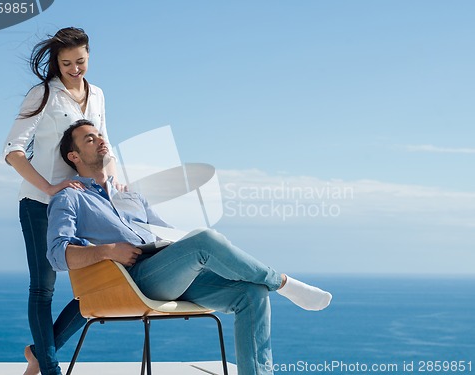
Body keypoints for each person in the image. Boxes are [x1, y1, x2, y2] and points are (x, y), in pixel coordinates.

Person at [47, 120, 333, 375]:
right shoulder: (71, 198)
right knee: (204, 240)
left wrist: (180, 244)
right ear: (74, 156)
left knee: (252, 292)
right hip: (131, 280)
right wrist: (109, 250)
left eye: (99, 135)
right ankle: (283, 282)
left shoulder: (130, 195)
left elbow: (166, 233)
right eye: (89, 139)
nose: (100, 140)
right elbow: (57, 255)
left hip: (170, 272)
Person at [3, 27, 121, 375]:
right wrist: (50, 187)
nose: (74, 69)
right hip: (40, 203)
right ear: (56, 61)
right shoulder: (42, 94)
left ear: (89, 56)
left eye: (80, 61)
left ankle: (39, 356)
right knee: (43, 288)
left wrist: (111, 183)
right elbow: (13, 151)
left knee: (97, 284)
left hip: (83, 204)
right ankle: (50, 368)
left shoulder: (97, 94)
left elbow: (105, 145)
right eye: (66, 63)